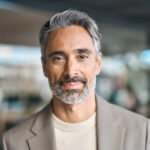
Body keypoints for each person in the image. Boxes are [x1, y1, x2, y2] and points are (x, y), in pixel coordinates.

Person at [1, 9, 150, 150]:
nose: (70, 71)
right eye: (58, 59)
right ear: (45, 67)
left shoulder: (142, 131)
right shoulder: (13, 142)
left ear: (98, 64)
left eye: (82, 57)